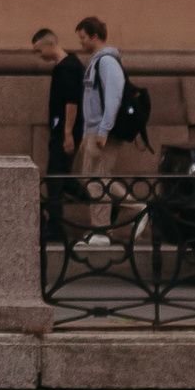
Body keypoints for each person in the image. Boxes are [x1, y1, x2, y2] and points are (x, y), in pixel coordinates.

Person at [73, 17, 128, 232]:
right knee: (93, 180)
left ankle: (101, 229)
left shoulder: (107, 62)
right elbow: (91, 103)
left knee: (96, 183)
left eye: (83, 38)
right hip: (93, 132)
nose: (81, 43)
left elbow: (114, 97)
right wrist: (86, 136)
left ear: (94, 35)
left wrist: (103, 131)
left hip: (102, 132)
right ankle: (137, 208)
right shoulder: (96, 62)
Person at [33, 26, 84, 236]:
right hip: (61, 130)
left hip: (65, 131)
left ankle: (55, 226)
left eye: (39, 50)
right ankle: (106, 202)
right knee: (63, 177)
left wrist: (67, 133)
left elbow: (72, 102)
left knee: (55, 177)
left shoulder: (68, 67)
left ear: (50, 44)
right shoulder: (64, 66)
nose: (39, 55)